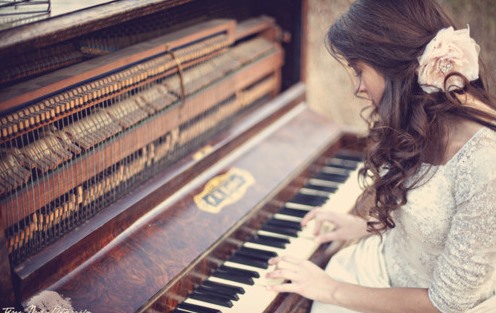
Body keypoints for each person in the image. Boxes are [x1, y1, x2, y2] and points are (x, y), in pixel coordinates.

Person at [265, 0, 496, 312]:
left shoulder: (486, 162)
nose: (358, 88)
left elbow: (446, 304)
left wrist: (330, 289)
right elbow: (436, 219)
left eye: (359, 70)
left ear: (393, 64)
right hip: (383, 270)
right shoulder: (429, 117)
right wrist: (362, 227)